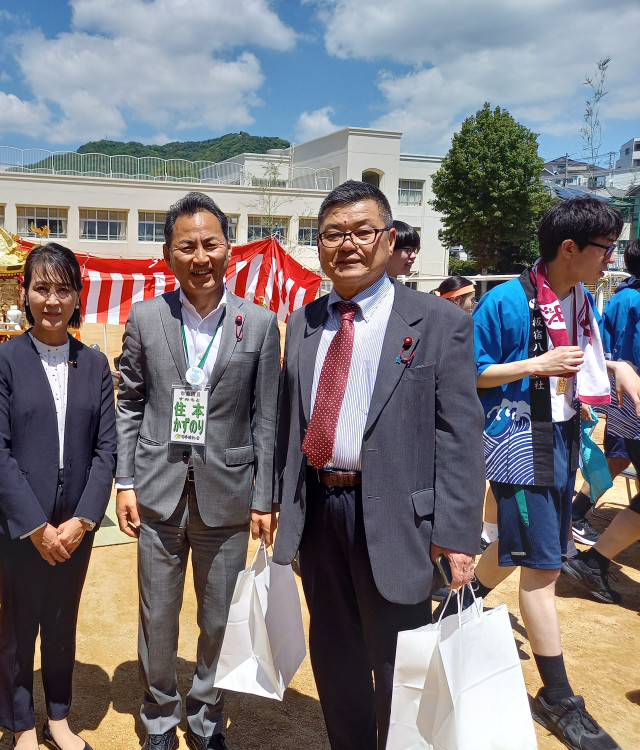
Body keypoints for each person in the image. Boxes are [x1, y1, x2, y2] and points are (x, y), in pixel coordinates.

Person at [271, 180, 484, 750]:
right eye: (333, 234)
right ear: (318, 246)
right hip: (319, 509)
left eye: (363, 232)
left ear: (388, 240)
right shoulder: (305, 321)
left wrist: (458, 534)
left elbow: (460, 433)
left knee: (399, 661)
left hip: (398, 519)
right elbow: (291, 420)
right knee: (335, 654)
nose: (348, 245)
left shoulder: (439, 323)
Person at [471, 196, 638, 750]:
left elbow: (586, 359)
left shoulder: (582, 298)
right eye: (604, 249)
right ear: (570, 248)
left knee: (528, 543)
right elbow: (471, 374)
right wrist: (536, 365)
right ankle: (558, 697)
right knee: (544, 565)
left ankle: (463, 599)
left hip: (565, 433)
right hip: (520, 443)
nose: (609, 260)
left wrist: (619, 370)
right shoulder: (504, 302)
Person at [116, 191, 280, 750]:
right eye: (187, 245)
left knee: (218, 620)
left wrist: (265, 496)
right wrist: (125, 480)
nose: (200, 256)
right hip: (158, 493)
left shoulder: (258, 324)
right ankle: (160, 713)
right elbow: (130, 402)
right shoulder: (145, 317)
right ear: (168, 254)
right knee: (157, 618)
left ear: (228, 249)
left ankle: (206, 713)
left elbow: (265, 416)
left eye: (211, 243)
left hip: (229, 495)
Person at [0, 242, 116, 750]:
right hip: (19, 525)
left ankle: (58, 715)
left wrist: (83, 520)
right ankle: (19, 723)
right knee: (17, 624)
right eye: (42, 288)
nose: (52, 299)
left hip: (74, 524)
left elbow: (107, 450)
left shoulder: (96, 365)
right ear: (25, 294)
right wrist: (35, 526)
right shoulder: (1, 362)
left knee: (62, 618)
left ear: (78, 295)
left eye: (62, 289)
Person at [563, 238, 640, 603]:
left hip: (619, 393)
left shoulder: (621, 297)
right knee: (614, 458)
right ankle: (581, 527)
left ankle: (579, 519)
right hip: (630, 393)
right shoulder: (631, 299)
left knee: (617, 458)